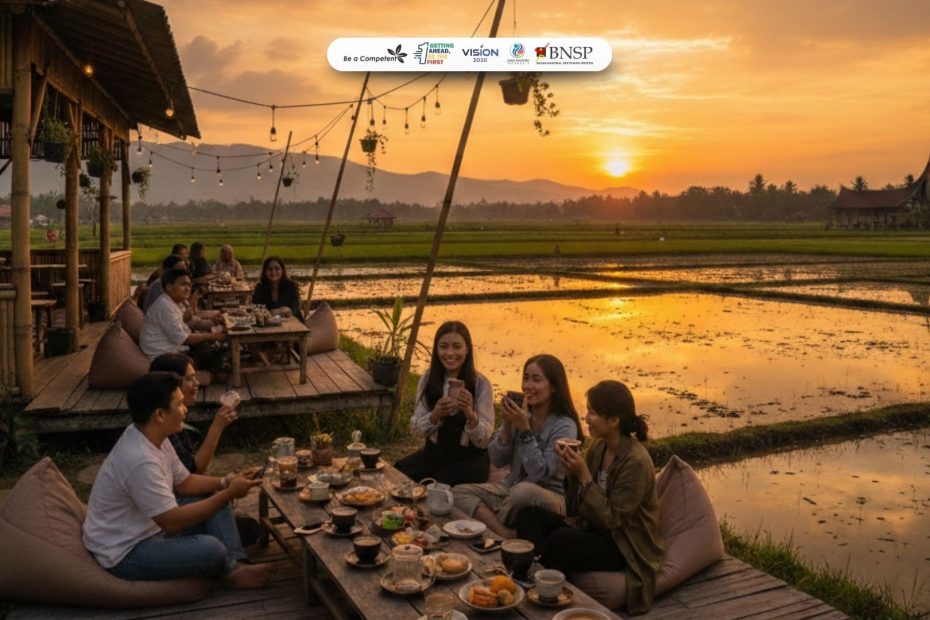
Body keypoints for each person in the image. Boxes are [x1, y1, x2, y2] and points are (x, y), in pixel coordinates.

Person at [82, 372, 272, 587]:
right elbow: (172, 523)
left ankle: (234, 565)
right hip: (125, 550)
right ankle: (228, 566)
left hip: (151, 526)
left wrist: (226, 482)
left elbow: (184, 482)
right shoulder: (140, 460)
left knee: (214, 495)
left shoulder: (153, 435)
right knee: (212, 548)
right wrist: (229, 494)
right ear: (159, 414)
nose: (185, 410)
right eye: (180, 404)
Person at [514, 380, 664, 615]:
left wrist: (584, 476)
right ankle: (539, 574)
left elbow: (612, 519)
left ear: (613, 420)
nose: (585, 418)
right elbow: (575, 508)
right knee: (529, 516)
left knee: (562, 539)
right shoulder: (599, 447)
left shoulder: (636, 462)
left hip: (622, 543)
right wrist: (570, 472)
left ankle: (540, 584)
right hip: (591, 526)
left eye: (592, 413)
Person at [452, 354, 583, 537]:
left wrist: (524, 430)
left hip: (547, 495)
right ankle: (504, 532)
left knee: (522, 493)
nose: (528, 386)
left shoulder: (564, 426)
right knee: (457, 493)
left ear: (554, 386)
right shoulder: (522, 413)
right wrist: (507, 425)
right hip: (510, 488)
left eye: (536, 380)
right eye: (525, 378)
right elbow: (497, 460)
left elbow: (540, 473)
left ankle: (492, 524)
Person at [394, 321, 493, 486]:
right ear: (436, 350)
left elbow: (484, 440)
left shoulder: (480, 384)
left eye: (457, 347)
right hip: (434, 455)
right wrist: (435, 415)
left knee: (437, 486)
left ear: (467, 349)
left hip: (469, 460)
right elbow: (416, 431)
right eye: (443, 347)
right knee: (397, 474)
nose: (450, 353)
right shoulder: (428, 379)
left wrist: (469, 413)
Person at [149, 353, 236, 475]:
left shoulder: (165, 415)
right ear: (171, 384)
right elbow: (193, 471)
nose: (197, 383)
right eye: (189, 379)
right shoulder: (163, 425)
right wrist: (217, 426)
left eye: (195, 377)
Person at [140, 268, 225, 371]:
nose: (188, 288)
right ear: (169, 287)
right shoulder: (164, 306)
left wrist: (211, 322)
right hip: (163, 358)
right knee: (216, 352)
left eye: (189, 285)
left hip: (174, 349)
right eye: (183, 284)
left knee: (210, 347)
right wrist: (213, 336)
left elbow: (184, 325)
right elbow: (185, 339)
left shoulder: (175, 302)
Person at [251, 256, 303, 320]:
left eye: (277, 269)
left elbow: (295, 308)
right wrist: (275, 312)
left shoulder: (291, 286)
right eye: (270, 269)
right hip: (268, 322)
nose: (273, 272)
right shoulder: (260, 287)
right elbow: (256, 308)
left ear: (282, 271)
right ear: (265, 271)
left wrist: (288, 310)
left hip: (292, 321)